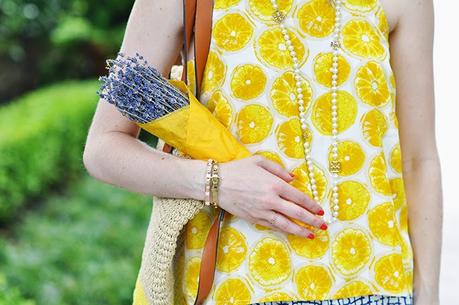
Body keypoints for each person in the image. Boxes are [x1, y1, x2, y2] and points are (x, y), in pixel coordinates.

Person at [83, 0, 442, 304]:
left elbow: (419, 159)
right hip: (239, 287)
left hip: (379, 284)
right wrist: (216, 182)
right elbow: (104, 145)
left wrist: (427, 292)